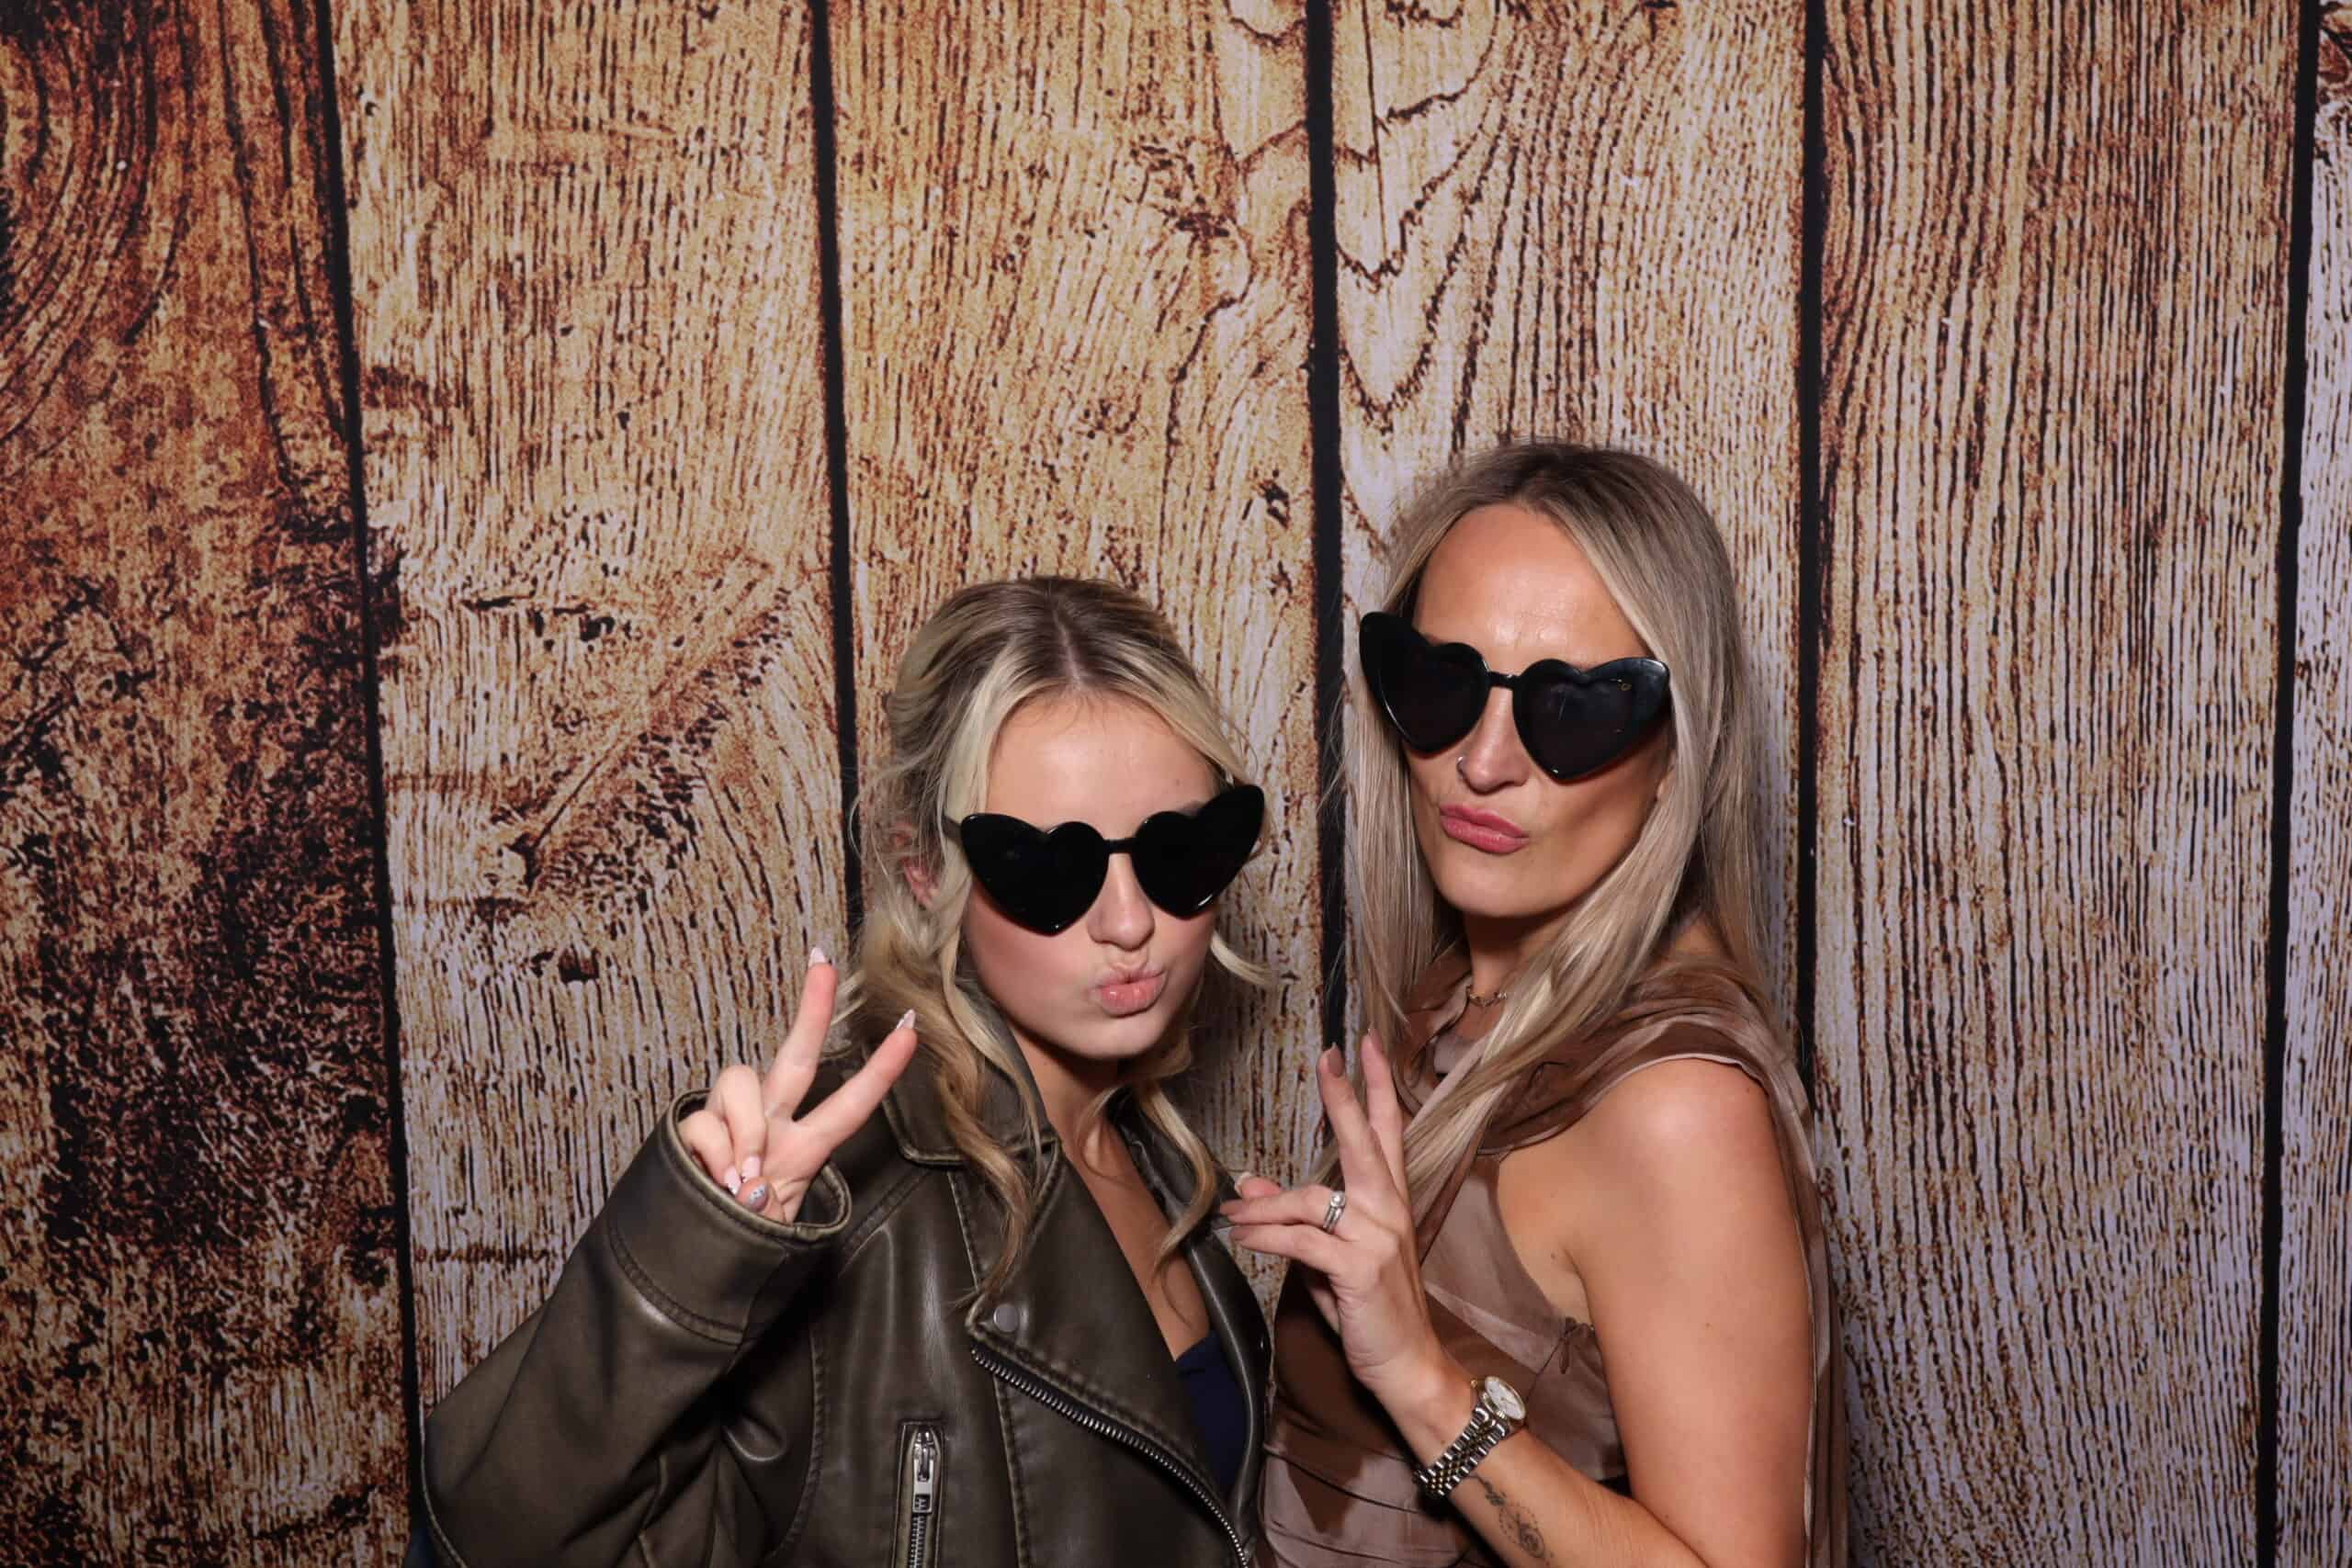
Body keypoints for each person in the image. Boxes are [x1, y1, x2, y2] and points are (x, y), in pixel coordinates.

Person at [413, 576, 1276, 1567]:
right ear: (923, 866)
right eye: (1050, 866)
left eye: (1180, 851)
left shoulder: (1165, 1169)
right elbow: (491, 1537)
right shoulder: (848, 1197)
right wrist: (694, 1254)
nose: (1130, 923)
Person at [1227, 443, 1847, 1567]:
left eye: (1570, 710)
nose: (1483, 759)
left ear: (1674, 754)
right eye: (1443, 685)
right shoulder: (1468, 997)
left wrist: (1419, 1378)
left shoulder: (1670, 1106)